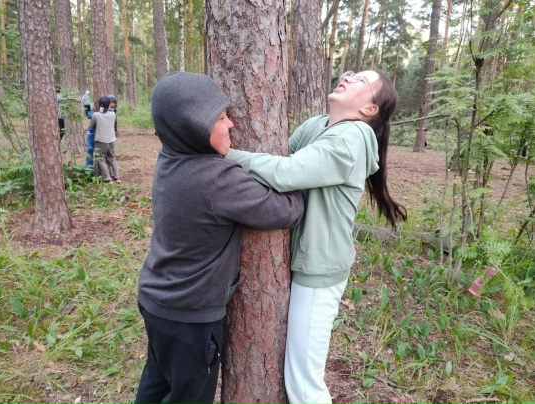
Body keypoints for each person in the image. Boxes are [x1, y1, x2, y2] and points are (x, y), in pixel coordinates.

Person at [226, 69, 407, 404]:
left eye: (361, 81)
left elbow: (284, 173)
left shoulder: (352, 138)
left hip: (319, 271)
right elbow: (278, 161)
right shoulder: (317, 125)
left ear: (369, 109)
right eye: (352, 73)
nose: (348, 77)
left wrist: (224, 154)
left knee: (304, 383)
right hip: (303, 260)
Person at [134, 72, 305, 404]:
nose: (231, 125)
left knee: (157, 383)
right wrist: (304, 182)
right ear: (193, 126)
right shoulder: (216, 178)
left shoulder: (171, 155)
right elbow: (284, 211)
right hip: (190, 317)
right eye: (221, 117)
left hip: (156, 301)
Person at [90, 96, 121, 183]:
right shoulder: (113, 114)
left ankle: (108, 178)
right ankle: (117, 177)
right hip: (111, 140)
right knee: (112, 158)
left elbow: (92, 125)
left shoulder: (96, 115)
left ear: (99, 105)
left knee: (101, 159)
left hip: (101, 141)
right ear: (109, 105)